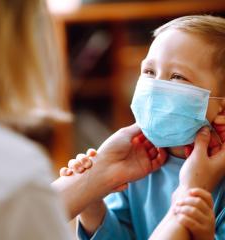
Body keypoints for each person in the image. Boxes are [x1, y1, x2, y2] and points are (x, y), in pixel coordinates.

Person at [62, 15, 225, 240]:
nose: (155, 86)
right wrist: (91, 203)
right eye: (149, 72)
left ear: (222, 108)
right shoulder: (138, 161)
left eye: (177, 76)